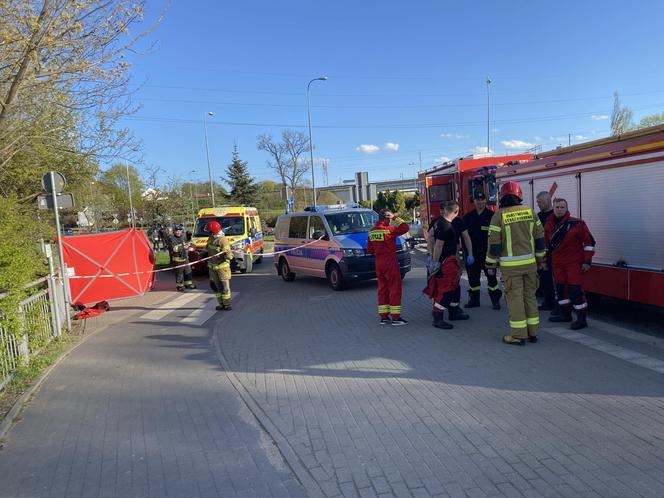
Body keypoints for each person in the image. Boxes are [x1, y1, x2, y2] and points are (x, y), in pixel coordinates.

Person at [485, 181, 546, 346]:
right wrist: (541, 260)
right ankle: (533, 332)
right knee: (530, 298)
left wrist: (490, 265)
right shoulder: (531, 212)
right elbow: (540, 240)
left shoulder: (498, 216)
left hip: (511, 269)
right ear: (519, 195)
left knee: (515, 299)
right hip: (531, 266)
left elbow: (494, 245)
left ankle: (519, 335)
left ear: (501, 197)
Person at [545, 198, 595, 330]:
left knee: (575, 291)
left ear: (566, 208)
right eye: (557, 207)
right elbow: (545, 245)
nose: (559, 209)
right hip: (557, 264)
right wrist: (543, 261)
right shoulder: (548, 224)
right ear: (553, 208)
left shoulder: (577, 224)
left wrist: (587, 261)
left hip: (573, 263)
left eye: (562, 207)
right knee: (560, 290)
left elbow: (589, 243)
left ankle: (581, 319)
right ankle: (565, 315)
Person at [424, 201, 470, 329]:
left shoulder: (439, 222)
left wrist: (432, 256)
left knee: (454, 288)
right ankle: (437, 317)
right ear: (456, 212)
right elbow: (439, 245)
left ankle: (454, 311)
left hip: (449, 262)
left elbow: (431, 236)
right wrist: (435, 262)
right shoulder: (446, 226)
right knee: (446, 290)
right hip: (446, 263)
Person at [366, 209, 410, 325]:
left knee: (382, 289)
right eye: (390, 219)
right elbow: (405, 227)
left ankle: (384, 317)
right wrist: (396, 217)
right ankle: (396, 318)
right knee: (394, 288)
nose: (391, 221)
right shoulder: (389, 230)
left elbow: (370, 250)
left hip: (378, 262)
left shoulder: (371, 232)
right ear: (386, 218)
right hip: (389, 261)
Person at [462, 192, 502, 310]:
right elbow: (464, 236)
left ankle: (495, 300)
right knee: (473, 278)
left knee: (491, 278)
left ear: (485, 201)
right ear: (474, 201)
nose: (480, 202)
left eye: (482, 200)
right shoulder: (468, 217)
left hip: (487, 253)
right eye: (477, 200)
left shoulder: (492, 216)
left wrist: (496, 254)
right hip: (472, 253)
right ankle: (474, 300)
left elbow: (497, 236)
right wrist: (467, 254)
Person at [535, 191, 557, 311]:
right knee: (545, 278)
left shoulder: (556, 215)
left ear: (548, 201)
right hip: (542, 254)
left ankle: (555, 304)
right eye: (538, 202)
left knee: (556, 280)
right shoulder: (538, 216)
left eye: (541, 202)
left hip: (554, 253)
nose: (539, 204)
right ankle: (548, 302)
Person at [206, 221, 234, 311]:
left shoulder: (223, 240)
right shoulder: (210, 238)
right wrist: (200, 253)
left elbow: (230, 257)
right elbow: (207, 248)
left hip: (222, 268)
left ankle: (227, 304)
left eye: (209, 231)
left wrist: (227, 253)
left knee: (224, 288)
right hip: (212, 268)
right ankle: (221, 304)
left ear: (213, 231)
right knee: (215, 287)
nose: (208, 233)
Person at [167, 224, 195, 291]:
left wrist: (191, 246)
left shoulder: (183, 236)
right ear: (174, 231)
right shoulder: (172, 239)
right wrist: (184, 247)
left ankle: (188, 284)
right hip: (178, 259)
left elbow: (189, 243)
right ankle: (179, 286)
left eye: (179, 230)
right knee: (179, 273)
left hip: (185, 258)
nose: (178, 232)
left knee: (188, 271)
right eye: (176, 230)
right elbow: (174, 248)